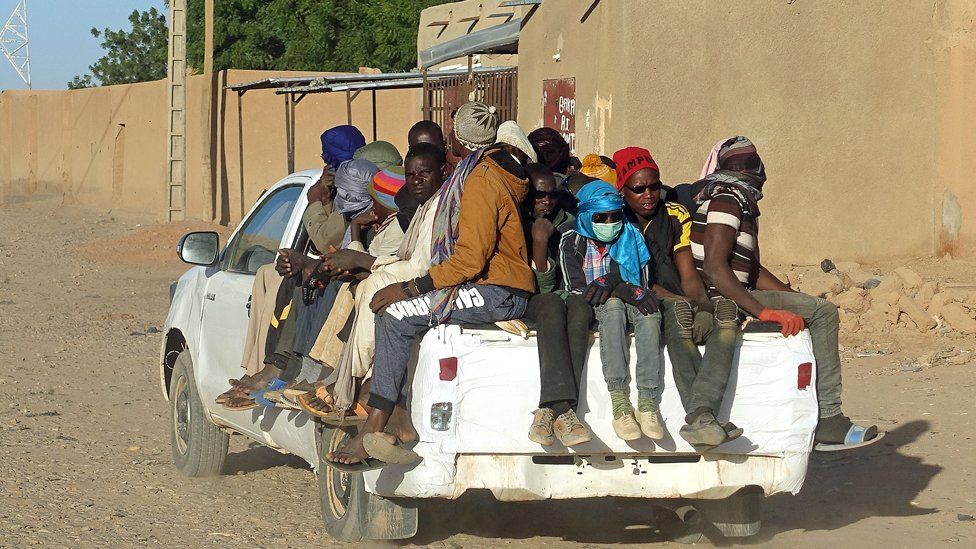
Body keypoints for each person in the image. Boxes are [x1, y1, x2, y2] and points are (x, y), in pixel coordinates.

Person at [326, 121, 538, 470]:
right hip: (487, 285)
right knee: (397, 313)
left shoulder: (482, 180)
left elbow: (470, 259)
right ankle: (397, 420)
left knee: (397, 312)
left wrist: (410, 288)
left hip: (498, 291)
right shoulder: (477, 175)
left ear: (457, 142)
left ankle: (376, 425)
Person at [691, 136, 879, 450]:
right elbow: (714, 266)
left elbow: (751, 268)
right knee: (824, 313)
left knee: (814, 307)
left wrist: (794, 296)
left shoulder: (736, 200)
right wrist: (765, 311)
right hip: (725, 299)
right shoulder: (728, 200)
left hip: (738, 289)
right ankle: (829, 419)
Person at [297, 143, 450, 418]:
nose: (416, 181)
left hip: (435, 283)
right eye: (411, 175)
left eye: (423, 174)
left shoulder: (437, 207)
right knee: (363, 284)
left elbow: (420, 266)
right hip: (416, 276)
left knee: (373, 287)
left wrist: (361, 263)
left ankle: (353, 381)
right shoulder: (422, 209)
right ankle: (341, 377)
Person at [613, 146, 741, 450]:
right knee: (679, 315)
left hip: (675, 293)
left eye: (655, 187)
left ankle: (703, 415)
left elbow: (688, 273)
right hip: (639, 299)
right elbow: (636, 281)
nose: (649, 195)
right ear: (622, 191)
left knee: (725, 312)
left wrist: (703, 306)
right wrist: (684, 304)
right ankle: (702, 416)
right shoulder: (614, 221)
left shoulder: (674, 215)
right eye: (639, 188)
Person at [559, 180, 664, 441]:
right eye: (600, 217)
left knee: (651, 313)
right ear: (585, 216)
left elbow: (643, 283)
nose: (609, 223)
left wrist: (619, 284)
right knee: (613, 306)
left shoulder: (632, 236)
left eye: (614, 216)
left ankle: (648, 403)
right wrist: (617, 287)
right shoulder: (571, 241)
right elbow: (576, 290)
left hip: (631, 299)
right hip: (596, 308)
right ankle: (620, 404)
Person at [521, 163, 593, 447]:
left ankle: (550, 411)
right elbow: (543, 288)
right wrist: (539, 243)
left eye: (551, 195)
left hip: (567, 296)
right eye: (539, 196)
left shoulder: (568, 223)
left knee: (580, 308)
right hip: (530, 298)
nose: (546, 202)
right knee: (551, 303)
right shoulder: (518, 221)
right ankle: (565, 412)